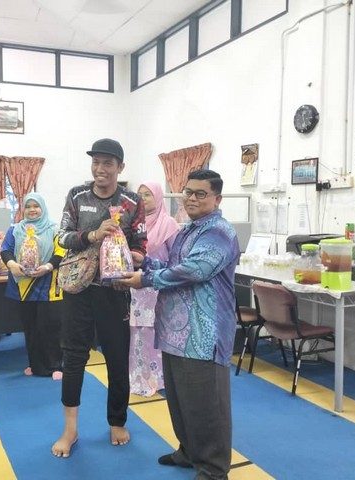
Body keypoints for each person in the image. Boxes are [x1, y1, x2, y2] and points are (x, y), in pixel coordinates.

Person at [117, 169, 239, 479]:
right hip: (174, 331)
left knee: (206, 406)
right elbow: (174, 265)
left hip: (203, 334)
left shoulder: (219, 232)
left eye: (201, 194)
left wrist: (145, 279)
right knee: (182, 401)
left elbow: (195, 270)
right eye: (188, 192)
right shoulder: (187, 230)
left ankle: (214, 469)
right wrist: (146, 262)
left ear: (217, 199)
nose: (192, 198)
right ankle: (188, 452)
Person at [51, 138, 147, 458]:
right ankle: (70, 429)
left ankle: (117, 422)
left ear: (120, 167)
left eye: (108, 163)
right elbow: (62, 237)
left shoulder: (132, 202)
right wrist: (93, 235)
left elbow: (141, 245)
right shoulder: (77, 195)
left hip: (114, 291)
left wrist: (129, 255)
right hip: (78, 289)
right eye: (96, 162)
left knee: (117, 358)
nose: (100, 168)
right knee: (73, 357)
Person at [0, 192, 64, 380]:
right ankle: (35, 365)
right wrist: (12, 264)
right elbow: (5, 250)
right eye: (28, 206)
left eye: (36, 206)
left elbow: (61, 252)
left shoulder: (55, 229)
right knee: (31, 328)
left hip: (49, 286)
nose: (32, 210)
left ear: (42, 208)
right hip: (23, 287)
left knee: (51, 327)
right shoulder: (15, 229)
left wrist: (48, 267)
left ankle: (55, 366)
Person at [129, 181, 180, 397]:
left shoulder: (169, 224)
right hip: (137, 286)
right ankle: (140, 377)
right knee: (138, 332)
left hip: (160, 286)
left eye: (147, 194)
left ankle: (160, 378)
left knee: (156, 331)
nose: (142, 199)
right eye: (139, 195)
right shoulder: (135, 225)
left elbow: (178, 261)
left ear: (158, 197)